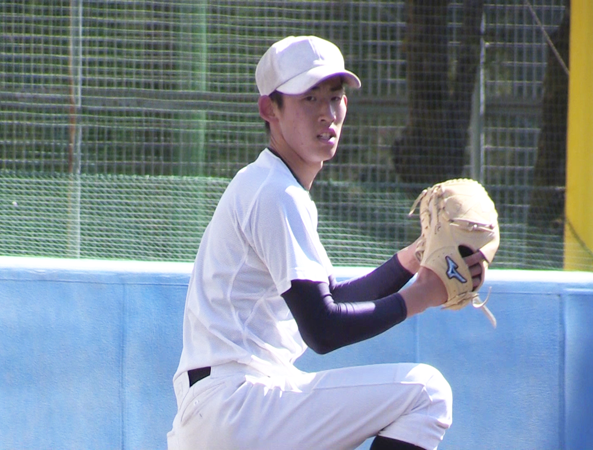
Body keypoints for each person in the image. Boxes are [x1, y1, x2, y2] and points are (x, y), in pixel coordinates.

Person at [167, 35, 488, 450]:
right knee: (425, 393)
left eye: (335, 97)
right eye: (309, 98)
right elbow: (323, 329)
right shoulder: (275, 193)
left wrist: (415, 257)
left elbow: (329, 299)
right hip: (238, 405)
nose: (327, 114)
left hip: (230, 410)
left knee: (419, 393)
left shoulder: (271, 184)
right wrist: (424, 295)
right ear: (270, 109)